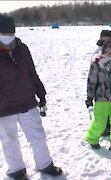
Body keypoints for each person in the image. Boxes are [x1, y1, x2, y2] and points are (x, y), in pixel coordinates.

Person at [0, 14, 62, 179]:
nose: (9, 37)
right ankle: (17, 169)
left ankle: (45, 164)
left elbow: (31, 73)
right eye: (5, 33)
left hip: (27, 101)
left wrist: (41, 94)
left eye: (11, 33)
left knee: (38, 135)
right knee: (9, 139)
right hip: (3, 108)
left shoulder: (22, 48)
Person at [85, 40, 111, 151]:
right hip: (101, 98)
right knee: (100, 122)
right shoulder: (97, 62)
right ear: (104, 51)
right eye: (109, 50)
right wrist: (89, 96)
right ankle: (92, 138)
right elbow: (92, 80)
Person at [92, 30, 111, 137]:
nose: (105, 42)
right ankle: (102, 127)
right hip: (99, 85)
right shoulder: (97, 53)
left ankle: (109, 126)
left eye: (108, 40)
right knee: (101, 108)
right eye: (103, 40)